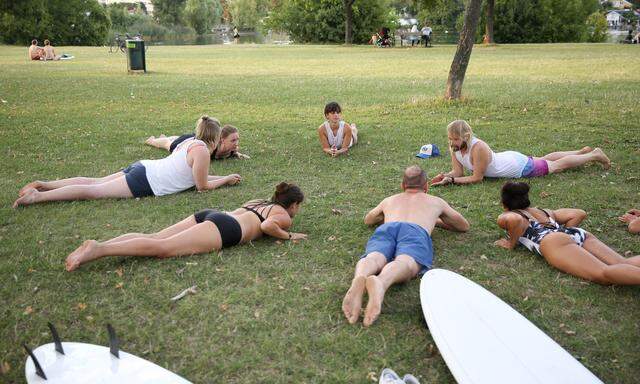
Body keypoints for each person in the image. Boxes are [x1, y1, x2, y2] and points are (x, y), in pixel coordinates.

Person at [65, 182, 307, 271]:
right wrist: (288, 235)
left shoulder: (258, 201)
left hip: (212, 215)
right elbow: (267, 227)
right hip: (227, 229)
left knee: (157, 236)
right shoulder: (282, 214)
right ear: (293, 204)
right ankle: (100, 249)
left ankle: (107, 244)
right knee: (163, 248)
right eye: (298, 207)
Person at [14, 116, 241, 208]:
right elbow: (201, 187)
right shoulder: (201, 151)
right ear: (215, 136)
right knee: (93, 191)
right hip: (146, 180)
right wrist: (226, 179)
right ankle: (38, 196)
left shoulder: (190, 142)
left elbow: (196, 178)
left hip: (144, 168)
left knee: (94, 182)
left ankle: (44, 184)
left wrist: (225, 178)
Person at [342, 165, 469, 327]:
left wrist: (388, 215)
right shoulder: (436, 202)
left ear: (403, 186)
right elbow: (463, 225)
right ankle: (381, 282)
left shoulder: (390, 200)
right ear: (426, 187)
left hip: (387, 228)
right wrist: (435, 220)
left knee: (374, 257)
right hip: (415, 231)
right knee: (405, 262)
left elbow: (369, 219)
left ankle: (359, 277)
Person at [495, 182, 640, 285]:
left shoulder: (507, 215)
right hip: (574, 233)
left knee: (603, 274)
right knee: (623, 262)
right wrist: (568, 237)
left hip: (552, 241)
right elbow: (578, 213)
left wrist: (510, 244)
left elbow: (514, 220)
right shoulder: (544, 211)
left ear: (504, 205)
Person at [430, 120, 610, 186]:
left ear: (466, 136)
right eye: (450, 138)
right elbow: (459, 173)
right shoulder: (455, 147)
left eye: (454, 139)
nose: (451, 142)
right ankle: (581, 151)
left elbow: (477, 177)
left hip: (519, 167)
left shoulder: (479, 148)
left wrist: (452, 181)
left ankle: (594, 155)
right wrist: (446, 176)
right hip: (509, 158)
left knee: (555, 166)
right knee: (545, 159)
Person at [145, 123, 250, 160]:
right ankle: (152, 141)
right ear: (222, 140)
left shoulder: (232, 150)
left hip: (196, 138)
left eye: (237, 139)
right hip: (190, 141)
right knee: (168, 144)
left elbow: (234, 153)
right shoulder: (211, 148)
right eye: (233, 140)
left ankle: (165, 137)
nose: (236, 143)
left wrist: (239, 155)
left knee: (174, 138)